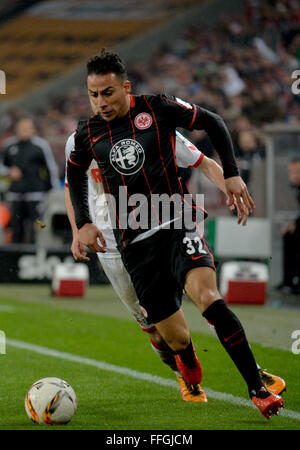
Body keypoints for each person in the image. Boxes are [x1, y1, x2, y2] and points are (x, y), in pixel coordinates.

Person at [67, 50, 284, 418]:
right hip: (126, 244)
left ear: (125, 87)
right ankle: (186, 366)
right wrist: (82, 225)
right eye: (93, 95)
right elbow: (73, 178)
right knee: (169, 336)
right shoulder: (85, 135)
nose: (101, 102)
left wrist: (231, 176)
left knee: (208, 297)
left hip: (176, 220)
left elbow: (208, 139)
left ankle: (257, 387)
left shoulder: (158, 111)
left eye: (108, 92)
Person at [0, 117, 60, 244]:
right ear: (16, 129)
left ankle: (34, 257)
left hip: (35, 194)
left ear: (33, 130)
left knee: (37, 227)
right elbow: (2, 166)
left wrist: (52, 190)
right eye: (22, 128)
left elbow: (51, 168)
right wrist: (9, 172)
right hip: (15, 194)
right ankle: (14, 259)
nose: (24, 131)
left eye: (27, 128)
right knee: (15, 228)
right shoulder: (9, 145)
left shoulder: (40, 145)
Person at [277, 156, 300, 295]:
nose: (294, 175)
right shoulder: (295, 188)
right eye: (291, 172)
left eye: (297, 171)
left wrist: (296, 223)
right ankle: (288, 281)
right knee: (289, 236)